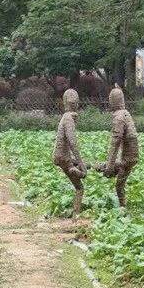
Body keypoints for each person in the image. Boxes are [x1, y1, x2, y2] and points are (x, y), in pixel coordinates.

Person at [98, 84, 139, 209]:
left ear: (112, 101)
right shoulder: (126, 113)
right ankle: (123, 207)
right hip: (131, 157)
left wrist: (109, 166)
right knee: (117, 180)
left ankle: (123, 208)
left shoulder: (119, 117)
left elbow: (115, 141)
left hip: (127, 159)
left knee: (118, 184)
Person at [52, 87, 88, 217]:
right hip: (63, 158)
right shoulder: (69, 119)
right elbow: (73, 143)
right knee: (80, 187)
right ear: (77, 104)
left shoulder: (65, 117)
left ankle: (75, 168)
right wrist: (81, 165)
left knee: (85, 165)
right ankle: (75, 216)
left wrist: (83, 164)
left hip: (62, 156)